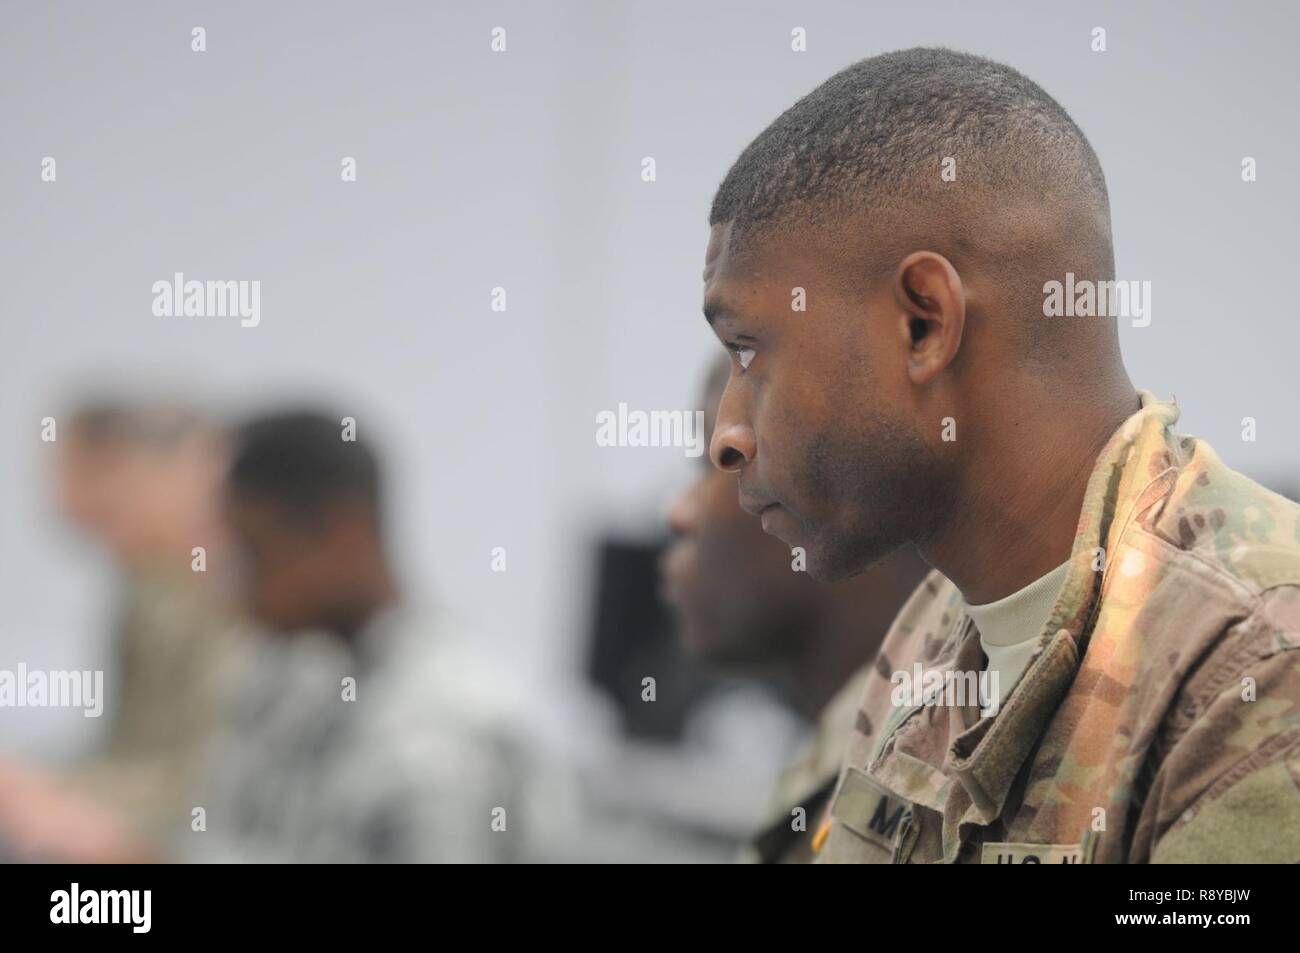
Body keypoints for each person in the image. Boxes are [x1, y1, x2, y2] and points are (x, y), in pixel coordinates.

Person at [700, 48, 1300, 863]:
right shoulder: (939, 630)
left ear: (924, 323)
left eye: (748, 350)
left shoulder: (1256, 661)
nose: (725, 435)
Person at [661, 356, 926, 862]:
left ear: (842, 490)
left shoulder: (937, 788)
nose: (678, 512)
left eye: (708, 464)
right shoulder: (839, 763)